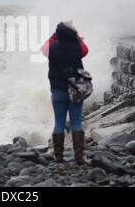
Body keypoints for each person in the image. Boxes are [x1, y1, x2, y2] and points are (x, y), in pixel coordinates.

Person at [42, 21, 89, 164]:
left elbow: (43, 48)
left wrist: (53, 36)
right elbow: (85, 50)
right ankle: (79, 157)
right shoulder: (77, 47)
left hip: (57, 90)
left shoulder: (51, 48)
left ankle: (59, 157)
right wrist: (78, 38)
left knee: (59, 123)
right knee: (76, 122)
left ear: (58, 34)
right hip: (75, 89)